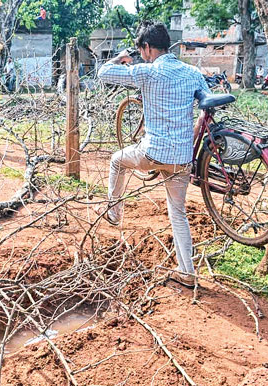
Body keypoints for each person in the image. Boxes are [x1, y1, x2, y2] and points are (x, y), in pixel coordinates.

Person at [96, 21, 210, 289]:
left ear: (146, 47)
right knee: (178, 213)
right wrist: (192, 136)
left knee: (117, 161)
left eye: (141, 50)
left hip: (152, 154)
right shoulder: (191, 73)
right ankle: (187, 273)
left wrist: (119, 58)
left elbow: (103, 73)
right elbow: (207, 105)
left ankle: (114, 214)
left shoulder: (146, 73)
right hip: (182, 158)